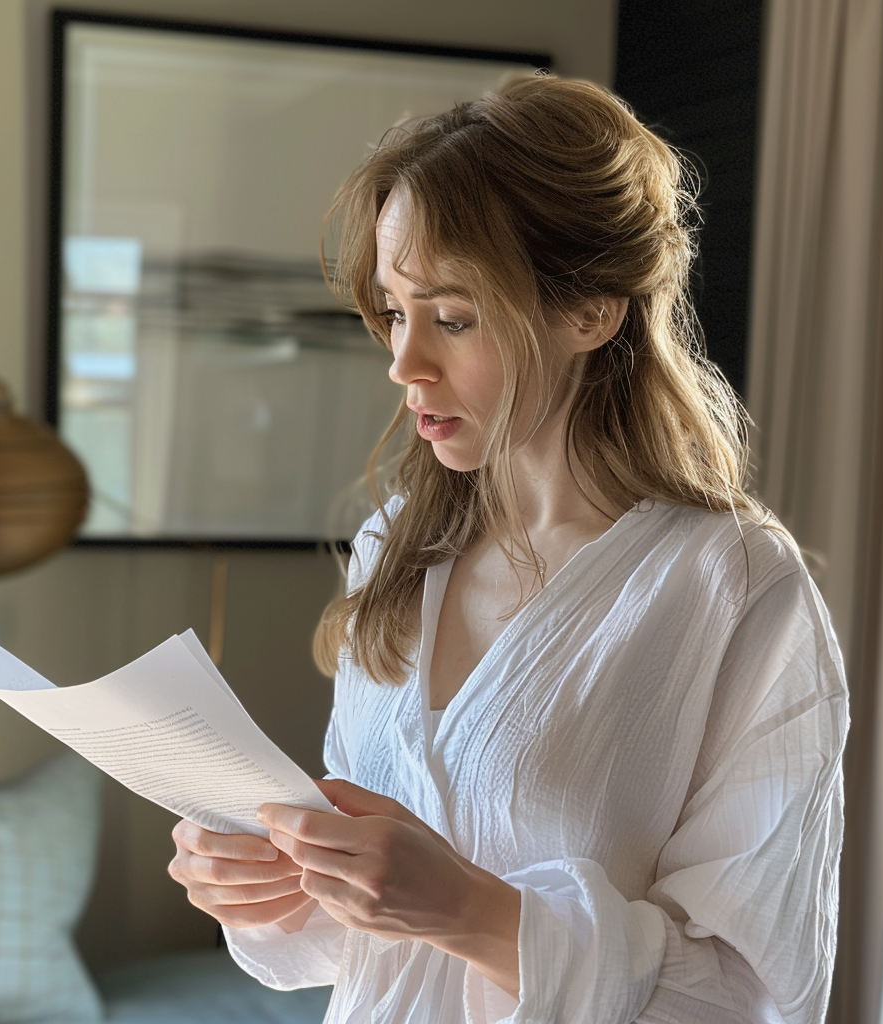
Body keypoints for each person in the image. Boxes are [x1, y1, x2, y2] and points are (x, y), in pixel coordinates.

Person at [167, 74, 848, 1024]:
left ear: (591, 312)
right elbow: (360, 938)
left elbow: (753, 994)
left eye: (452, 317)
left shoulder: (732, 590)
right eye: (396, 313)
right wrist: (273, 884)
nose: (406, 363)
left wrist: (470, 912)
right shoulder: (394, 546)